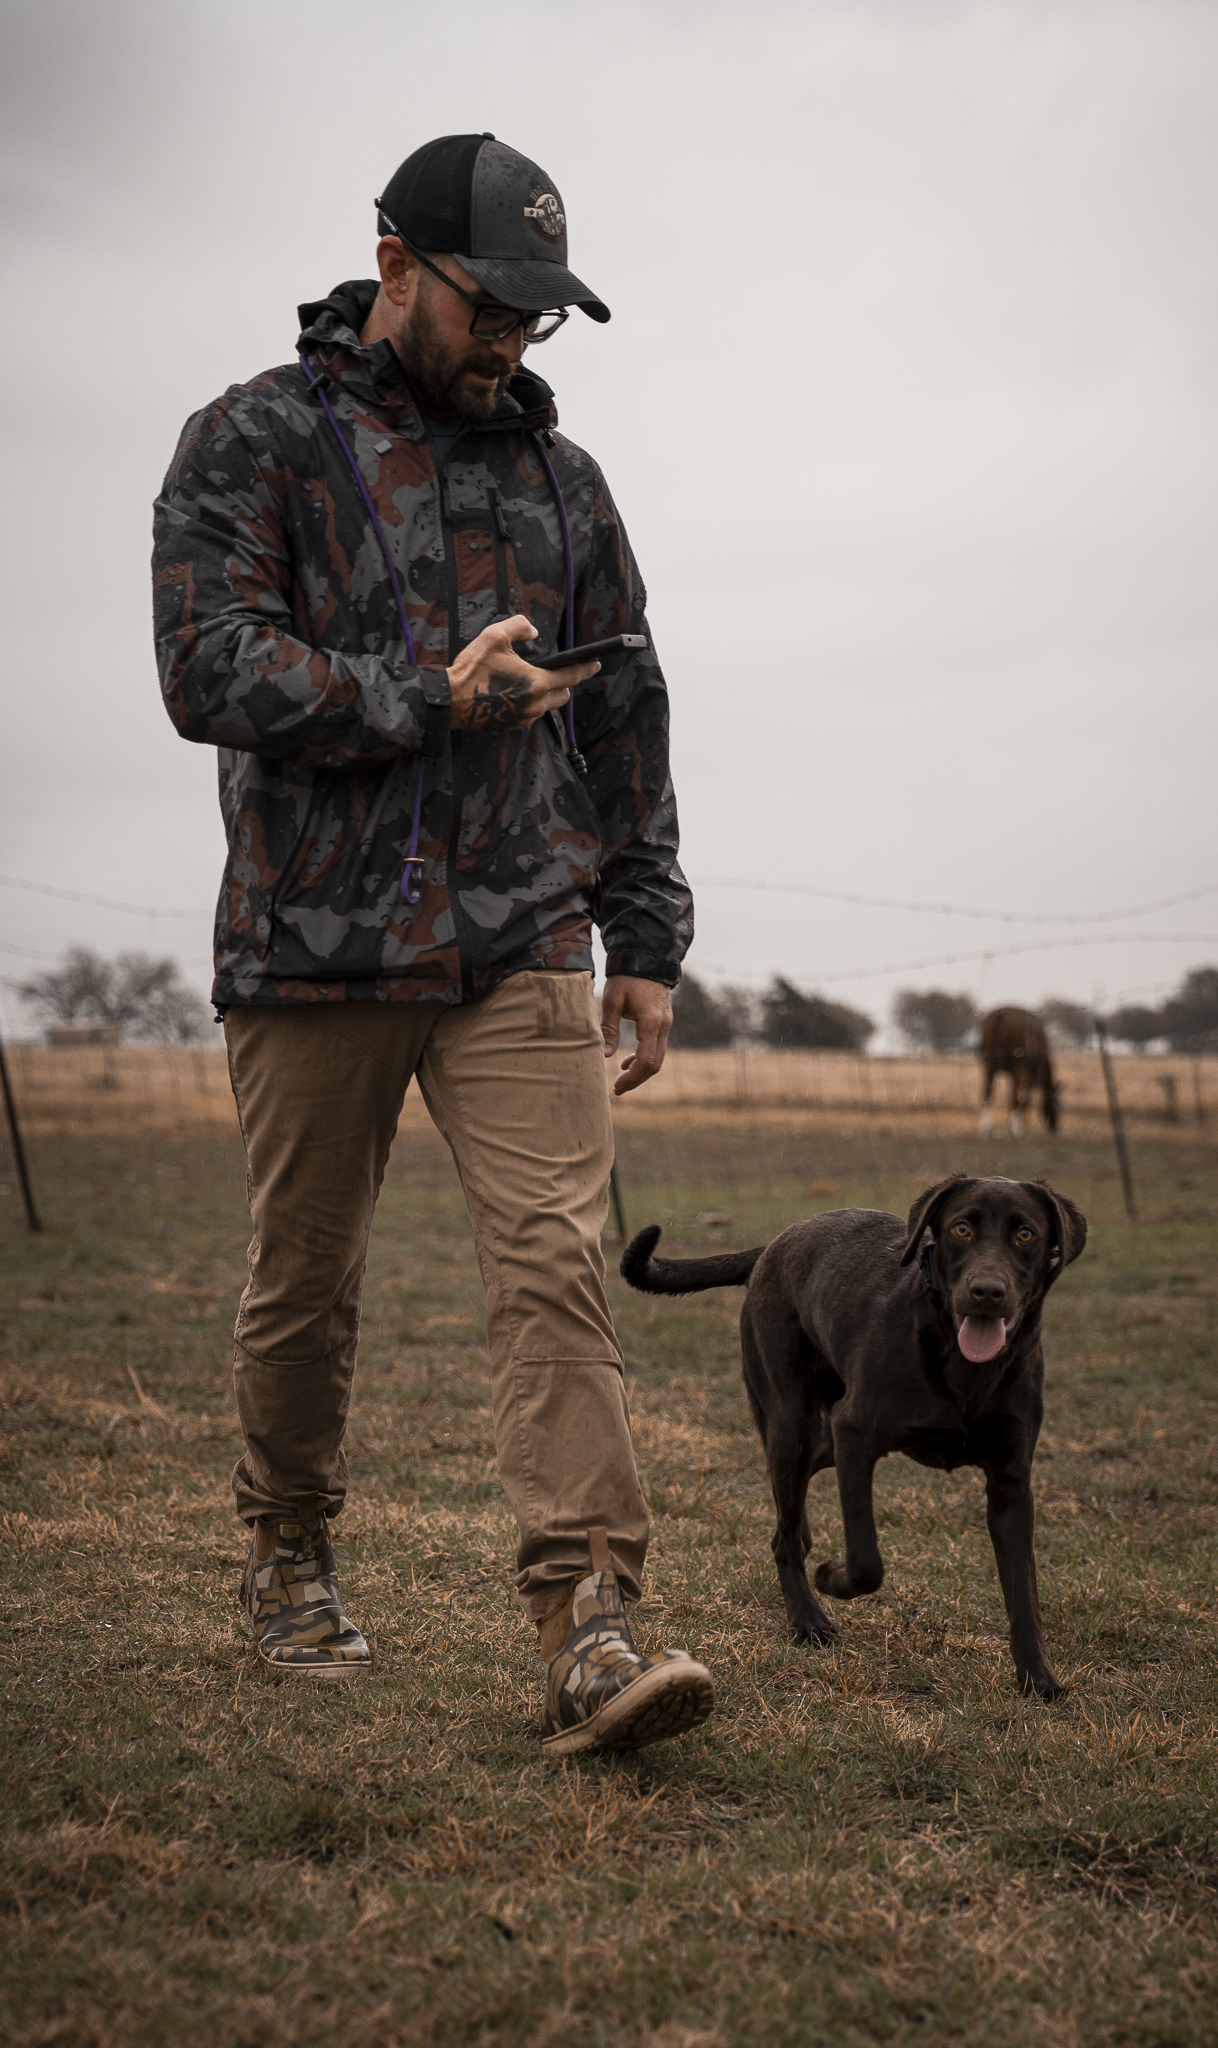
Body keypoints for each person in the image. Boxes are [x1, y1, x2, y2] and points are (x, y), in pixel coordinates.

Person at [152, 132, 714, 1756]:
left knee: (555, 1266)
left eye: (540, 320)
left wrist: (648, 933)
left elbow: (630, 706)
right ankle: (287, 1551)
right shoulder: (253, 437)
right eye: (489, 307)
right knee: (306, 1284)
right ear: (394, 264)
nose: (513, 344)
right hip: (312, 948)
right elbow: (207, 668)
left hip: (524, 941)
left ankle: (592, 1626)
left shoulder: (565, 481)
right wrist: (425, 696)